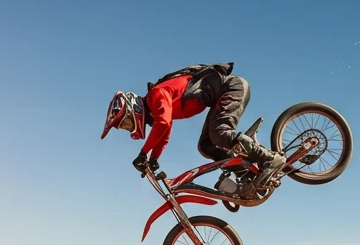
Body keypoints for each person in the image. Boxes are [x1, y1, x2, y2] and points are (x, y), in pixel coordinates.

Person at [101, 63, 286, 187]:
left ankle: (269, 158)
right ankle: (248, 174)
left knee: (220, 133)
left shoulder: (156, 95)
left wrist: (143, 153)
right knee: (206, 146)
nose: (128, 127)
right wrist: (153, 159)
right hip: (219, 98)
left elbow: (163, 124)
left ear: (133, 108)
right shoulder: (157, 108)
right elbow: (165, 131)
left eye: (125, 122)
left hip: (231, 88)